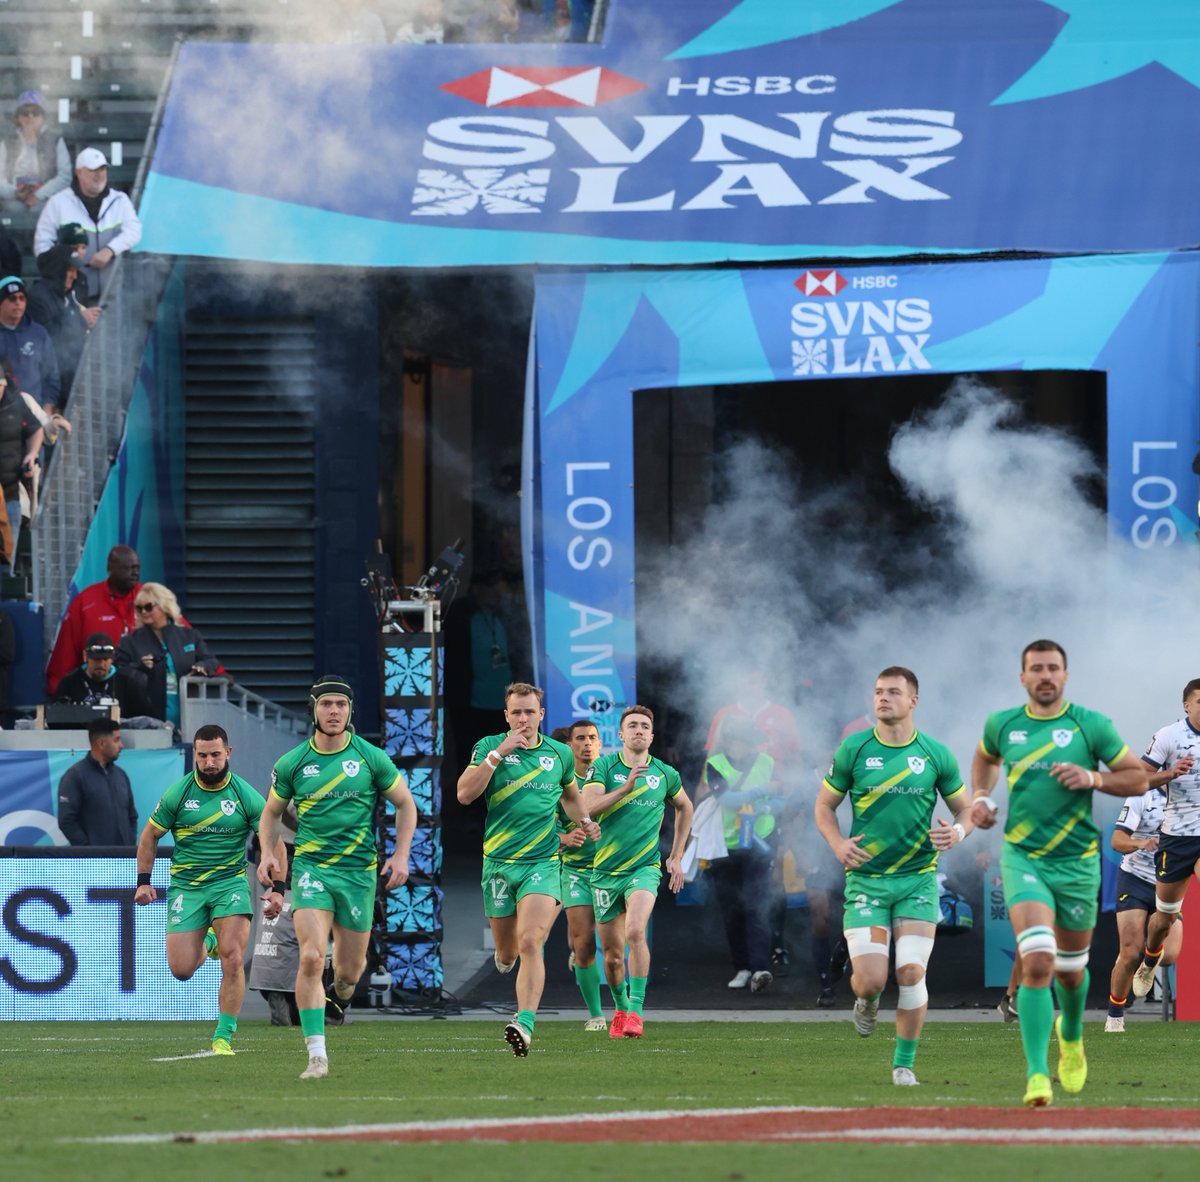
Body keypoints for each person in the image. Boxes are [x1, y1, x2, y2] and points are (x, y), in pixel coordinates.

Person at [970, 639, 1148, 1108]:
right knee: (1037, 963)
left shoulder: (1091, 725)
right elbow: (985, 758)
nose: (1045, 675)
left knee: (1070, 974)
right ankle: (1035, 1075)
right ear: (1023, 677)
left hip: (1077, 863)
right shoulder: (1002, 724)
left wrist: (1094, 778)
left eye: (1053, 668)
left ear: (1065, 675)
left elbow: (1138, 778)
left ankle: (1071, 1036)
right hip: (1023, 857)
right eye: (1036, 668)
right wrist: (982, 799)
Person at [815, 666, 971, 1087]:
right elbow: (824, 807)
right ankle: (865, 1001)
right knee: (870, 982)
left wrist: (956, 832)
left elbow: (967, 810)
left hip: (918, 880)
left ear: (913, 700)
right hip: (867, 880)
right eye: (878, 692)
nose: (883, 698)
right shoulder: (854, 749)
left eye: (893, 692)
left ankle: (903, 1065)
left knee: (911, 973)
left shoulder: (936, 754)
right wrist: (837, 844)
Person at [258, 675, 416, 1080]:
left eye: (341, 705)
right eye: (326, 704)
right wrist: (266, 857)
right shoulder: (292, 762)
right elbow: (271, 814)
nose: (334, 711)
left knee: (349, 971)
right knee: (311, 956)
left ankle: (340, 994)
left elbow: (405, 805)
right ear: (313, 709)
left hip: (359, 874)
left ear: (350, 711)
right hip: (311, 868)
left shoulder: (370, 757)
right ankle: (316, 1056)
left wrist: (401, 855)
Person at [457, 681, 598, 1056]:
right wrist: (498, 754)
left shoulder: (559, 754)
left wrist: (585, 821)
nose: (523, 718)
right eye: (516, 712)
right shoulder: (489, 747)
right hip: (500, 865)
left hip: (543, 863)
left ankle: (525, 1023)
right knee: (506, 954)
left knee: (532, 940)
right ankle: (506, 960)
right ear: (506, 716)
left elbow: (570, 797)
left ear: (541, 714)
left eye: (529, 711)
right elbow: (464, 794)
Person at [133, 725, 286, 1055]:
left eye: (215, 754)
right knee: (182, 970)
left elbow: (274, 840)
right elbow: (149, 836)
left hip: (229, 884)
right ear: (195, 756)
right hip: (187, 887)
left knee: (232, 958)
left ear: (228, 753)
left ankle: (223, 1036)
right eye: (202, 756)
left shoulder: (244, 795)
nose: (209, 761)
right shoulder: (178, 794)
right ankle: (211, 940)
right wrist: (144, 881)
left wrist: (278, 888)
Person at [583, 704, 693, 1040]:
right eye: (632, 726)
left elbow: (685, 806)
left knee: (635, 932)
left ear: (652, 735)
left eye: (645, 726)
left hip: (644, 870)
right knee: (614, 958)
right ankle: (619, 1007)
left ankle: (637, 1011)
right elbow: (587, 807)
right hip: (605, 872)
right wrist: (626, 789)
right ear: (620, 734)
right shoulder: (603, 766)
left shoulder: (664, 774)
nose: (639, 731)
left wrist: (676, 855)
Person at [1128, 678, 1200, 1003]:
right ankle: (1149, 957)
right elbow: (1137, 780)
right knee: (1164, 920)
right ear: (1187, 705)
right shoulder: (1170, 736)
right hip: (1177, 839)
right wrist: (1169, 774)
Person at [697, 717, 779, 994]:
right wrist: (762, 792)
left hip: (760, 842)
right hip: (726, 845)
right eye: (735, 739)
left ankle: (759, 967)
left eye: (745, 740)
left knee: (757, 904)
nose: (740, 745)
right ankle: (742, 967)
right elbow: (726, 799)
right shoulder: (715, 764)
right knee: (731, 908)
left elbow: (782, 798)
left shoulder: (767, 762)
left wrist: (768, 808)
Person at [1106, 782, 1184, 1031]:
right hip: (1135, 879)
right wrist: (1141, 843)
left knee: (1169, 955)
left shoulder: (1191, 802)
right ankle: (1115, 1017)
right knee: (1129, 953)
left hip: (1169, 881)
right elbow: (1117, 841)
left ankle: (1149, 961)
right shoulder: (1142, 796)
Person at [34, 148, 142, 305]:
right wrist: (66, 270)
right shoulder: (58, 202)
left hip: (113, 294)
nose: (99, 174)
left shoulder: (120, 200)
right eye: (93, 170)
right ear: (79, 172)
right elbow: (42, 246)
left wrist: (109, 250)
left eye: (103, 168)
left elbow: (135, 231)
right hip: (73, 296)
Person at [114, 582, 220, 730]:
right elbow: (117, 671)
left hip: (188, 717)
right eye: (139, 608)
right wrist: (139, 666)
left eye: (149, 607)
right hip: (148, 720)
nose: (144, 612)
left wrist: (201, 667)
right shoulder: (129, 641)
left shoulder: (189, 635)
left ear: (163, 606)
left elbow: (210, 660)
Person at [557, 718, 607, 1030]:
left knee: (616, 945)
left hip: (612, 868)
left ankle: (628, 1009)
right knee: (584, 942)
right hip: (575, 869)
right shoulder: (558, 779)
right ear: (571, 744)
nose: (587, 743)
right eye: (580, 738)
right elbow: (538, 820)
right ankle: (596, 1015)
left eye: (592, 738)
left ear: (600, 743)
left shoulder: (614, 774)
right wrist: (562, 838)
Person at [47, 544, 142, 693]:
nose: (135, 573)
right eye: (128, 568)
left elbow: (179, 635)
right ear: (111, 568)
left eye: (137, 568)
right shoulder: (86, 602)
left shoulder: (149, 599)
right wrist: (58, 691)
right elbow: (65, 655)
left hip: (140, 690)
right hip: (97, 689)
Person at [56, 716, 137, 845]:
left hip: (124, 861)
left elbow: (132, 816)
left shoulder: (121, 775)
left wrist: (130, 844)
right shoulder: (75, 776)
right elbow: (67, 821)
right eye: (116, 740)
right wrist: (89, 851)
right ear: (101, 743)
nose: (121, 745)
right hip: (94, 862)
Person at [28, 244, 97, 396]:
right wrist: (81, 320)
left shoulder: (64, 296)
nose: (75, 276)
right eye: (70, 270)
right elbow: (50, 338)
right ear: (58, 270)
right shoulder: (38, 298)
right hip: (48, 385)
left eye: (76, 271)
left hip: (66, 379)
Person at [0, 356, 43, 573]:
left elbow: (36, 429)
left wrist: (32, 454)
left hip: (9, 496)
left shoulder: (16, 403)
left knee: (6, 560)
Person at [53, 630, 151, 718]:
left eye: (105, 659)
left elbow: (145, 719)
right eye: (96, 659)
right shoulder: (70, 682)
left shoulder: (127, 682)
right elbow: (54, 716)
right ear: (85, 656)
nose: (101, 664)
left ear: (112, 658)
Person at [0, 90, 70, 213]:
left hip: (45, 195)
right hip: (14, 196)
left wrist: (39, 195)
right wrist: (14, 192)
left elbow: (65, 176)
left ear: (43, 117)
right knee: (14, 209)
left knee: (41, 210)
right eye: (25, 113)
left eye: (35, 112)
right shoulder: (7, 142)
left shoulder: (55, 140)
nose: (30, 116)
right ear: (18, 117)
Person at [0, 275, 61, 414]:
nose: (18, 303)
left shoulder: (39, 334)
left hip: (34, 415)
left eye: (22, 298)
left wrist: (47, 409)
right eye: (12, 298)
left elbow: (52, 376)